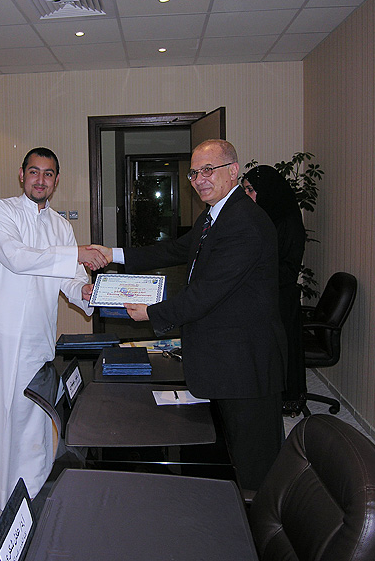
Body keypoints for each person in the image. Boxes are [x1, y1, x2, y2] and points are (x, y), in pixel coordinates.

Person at [90, 139, 286, 491]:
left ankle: (261, 521)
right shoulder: (216, 215)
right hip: (223, 354)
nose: (199, 179)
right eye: (194, 173)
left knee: (255, 461)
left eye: (208, 170)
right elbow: (174, 249)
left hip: (244, 361)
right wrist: (113, 254)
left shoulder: (244, 223)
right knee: (222, 446)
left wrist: (152, 312)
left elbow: (205, 294)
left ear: (233, 171)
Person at [0, 147, 108, 532]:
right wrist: (77, 254)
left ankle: (23, 491)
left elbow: (69, 277)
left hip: (34, 337)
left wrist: (85, 291)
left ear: (57, 180)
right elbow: (18, 257)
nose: (41, 180)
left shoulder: (61, 226)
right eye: (34, 172)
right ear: (21, 175)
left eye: (48, 173)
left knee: (27, 417)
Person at [243, 166, 306, 416]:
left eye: (251, 190)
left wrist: (253, 271)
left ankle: (286, 401)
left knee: (282, 354)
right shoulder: (262, 218)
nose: (247, 196)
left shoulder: (288, 222)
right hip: (264, 295)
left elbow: (288, 270)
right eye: (245, 190)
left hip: (281, 299)